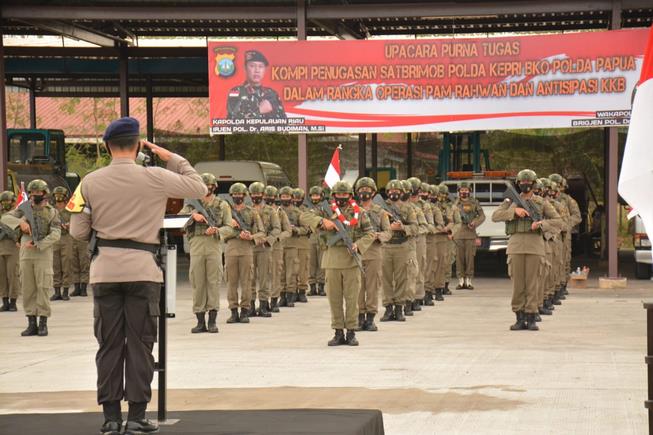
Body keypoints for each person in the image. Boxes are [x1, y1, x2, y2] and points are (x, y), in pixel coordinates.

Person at [69, 117, 207, 435]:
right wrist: (167, 155)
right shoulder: (156, 176)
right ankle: (136, 417)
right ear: (138, 145)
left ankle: (110, 418)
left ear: (107, 147)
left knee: (108, 345)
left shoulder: (89, 182)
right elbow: (199, 187)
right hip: (143, 271)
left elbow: (78, 232)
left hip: (104, 271)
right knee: (141, 345)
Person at [301, 181, 375, 346]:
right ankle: (338, 332)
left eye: (345, 195)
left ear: (350, 196)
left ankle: (351, 332)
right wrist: (322, 222)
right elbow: (304, 216)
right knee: (334, 299)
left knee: (351, 299)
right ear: (333, 196)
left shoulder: (360, 212)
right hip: (331, 259)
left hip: (351, 260)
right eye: (338, 195)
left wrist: (358, 245)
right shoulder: (325, 210)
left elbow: (370, 233)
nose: (341, 198)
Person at [491, 170, 561, 331]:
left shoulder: (541, 202)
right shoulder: (511, 201)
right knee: (518, 285)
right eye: (522, 182)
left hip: (535, 245)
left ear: (534, 184)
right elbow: (495, 216)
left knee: (533, 283)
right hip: (515, 245)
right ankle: (519, 316)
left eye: (528, 182)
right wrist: (513, 212)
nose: (525, 185)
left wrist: (541, 224)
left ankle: (531, 316)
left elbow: (558, 221)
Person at [2, 179, 61, 337]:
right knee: (28, 288)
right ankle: (31, 322)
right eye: (32, 193)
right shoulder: (23, 209)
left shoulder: (52, 212)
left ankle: (43, 322)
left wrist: (41, 243)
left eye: (38, 193)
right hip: (26, 253)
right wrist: (20, 222)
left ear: (44, 193)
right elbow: (4, 218)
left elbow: (56, 233)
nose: (35, 195)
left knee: (43, 287)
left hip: (43, 252)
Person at [178, 173, 231, 333]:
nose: (206, 189)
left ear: (214, 187)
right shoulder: (192, 204)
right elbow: (179, 219)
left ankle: (213, 320)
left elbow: (229, 227)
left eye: (208, 186)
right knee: (197, 281)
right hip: (196, 244)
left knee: (213, 282)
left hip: (214, 243)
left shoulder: (222, 205)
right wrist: (192, 216)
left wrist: (217, 230)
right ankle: (200, 321)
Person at [223, 182, 264, 324]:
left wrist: (251, 237)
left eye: (239, 194)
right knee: (231, 282)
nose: (237, 197)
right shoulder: (226, 212)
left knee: (247, 282)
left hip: (247, 250)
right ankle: (233, 311)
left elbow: (261, 232)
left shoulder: (252, 212)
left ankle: (245, 310)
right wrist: (235, 233)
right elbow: (220, 232)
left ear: (245, 196)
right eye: (234, 195)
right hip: (231, 250)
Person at [355, 177, 391, 331]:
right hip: (357, 252)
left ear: (373, 192)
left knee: (372, 286)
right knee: (357, 287)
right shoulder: (352, 211)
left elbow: (388, 232)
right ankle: (359, 316)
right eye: (361, 190)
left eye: (367, 190)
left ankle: (370, 318)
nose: (364, 192)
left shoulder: (381, 212)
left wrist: (379, 236)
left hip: (374, 252)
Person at [380, 180, 419, 322]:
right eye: (391, 191)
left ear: (402, 193)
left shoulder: (408, 209)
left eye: (397, 191)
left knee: (402, 279)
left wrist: (402, 227)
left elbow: (415, 228)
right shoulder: (381, 207)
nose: (393, 193)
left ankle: (399, 308)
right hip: (385, 247)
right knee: (386, 280)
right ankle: (388, 308)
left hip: (402, 246)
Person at [249, 181, 281, 317]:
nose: (256, 196)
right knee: (249, 278)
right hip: (249, 247)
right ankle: (249, 305)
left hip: (264, 248)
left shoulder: (270, 210)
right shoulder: (247, 209)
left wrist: (268, 241)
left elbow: (277, 228)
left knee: (263, 277)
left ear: (263, 194)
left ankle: (263, 305)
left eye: (258, 194)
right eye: (253, 194)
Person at [226, 50, 286, 119]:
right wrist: (258, 111)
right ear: (245, 68)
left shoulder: (272, 94)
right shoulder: (236, 92)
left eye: (260, 66)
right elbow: (232, 121)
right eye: (252, 66)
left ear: (264, 70)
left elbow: (284, 122)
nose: (257, 70)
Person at [279, 186, 310, 307]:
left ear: (292, 198)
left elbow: (305, 229)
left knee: (292, 272)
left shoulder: (298, 213)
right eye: (283, 197)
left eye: (287, 196)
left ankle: (290, 295)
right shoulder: (276, 211)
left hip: (292, 245)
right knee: (280, 272)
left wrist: (295, 230)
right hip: (279, 245)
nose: (285, 199)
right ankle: (281, 295)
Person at [453, 181, 485, 290]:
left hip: (470, 233)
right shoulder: (454, 203)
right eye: (462, 190)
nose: (464, 192)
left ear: (469, 191)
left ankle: (469, 280)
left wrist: (474, 222)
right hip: (458, 234)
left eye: (466, 190)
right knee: (459, 258)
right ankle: (461, 280)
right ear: (458, 191)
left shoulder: (474, 202)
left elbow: (482, 216)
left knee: (470, 258)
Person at [430, 184, 460, 301]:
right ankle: (430, 288)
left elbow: (458, 222)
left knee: (445, 264)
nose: (441, 196)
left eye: (443, 194)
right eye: (439, 194)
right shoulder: (430, 206)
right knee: (431, 263)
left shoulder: (452, 207)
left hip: (446, 238)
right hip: (433, 237)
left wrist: (451, 231)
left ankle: (443, 287)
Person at [264, 186, 291, 312]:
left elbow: (288, 231)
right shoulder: (260, 210)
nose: (269, 199)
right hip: (263, 245)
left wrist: (277, 237)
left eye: (271, 196)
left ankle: (274, 300)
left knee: (276, 273)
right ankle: (262, 301)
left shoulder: (280, 212)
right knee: (263, 274)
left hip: (276, 247)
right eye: (267, 196)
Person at [51, 186, 73, 302]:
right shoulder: (51, 210)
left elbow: (75, 223)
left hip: (66, 238)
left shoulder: (70, 210)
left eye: (61, 195)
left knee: (66, 263)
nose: (58, 197)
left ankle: (65, 291)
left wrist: (69, 225)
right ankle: (56, 291)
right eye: (56, 195)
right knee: (55, 265)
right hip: (55, 238)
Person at [0, 191, 19, 312]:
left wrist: (7, 230)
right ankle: (4, 301)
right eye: (3, 201)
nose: (5, 203)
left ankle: (13, 301)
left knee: (12, 275)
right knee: (1, 276)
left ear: (13, 202)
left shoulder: (17, 215)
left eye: (8, 201)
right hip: (1, 247)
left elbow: (17, 232)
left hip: (13, 248)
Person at [292, 187, 311, 303]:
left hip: (303, 242)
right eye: (294, 197)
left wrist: (298, 230)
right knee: (292, 268)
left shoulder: (306, 211)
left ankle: (302, 290)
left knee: (303, 268)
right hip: (292, 243)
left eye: (299, 198)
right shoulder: (287, 210)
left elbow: (309, 228)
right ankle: (293, 290)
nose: (296, 200)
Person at [307, 185, 327, 296]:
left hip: (323, 237)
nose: (315, 197)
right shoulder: (307, 208)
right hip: (312, 237)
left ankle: (321, 286)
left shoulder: (325, 207)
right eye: (313, 195)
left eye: (317, 195)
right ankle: (312, 286)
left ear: (321, 196)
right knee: (312, 263)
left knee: (322, 263)